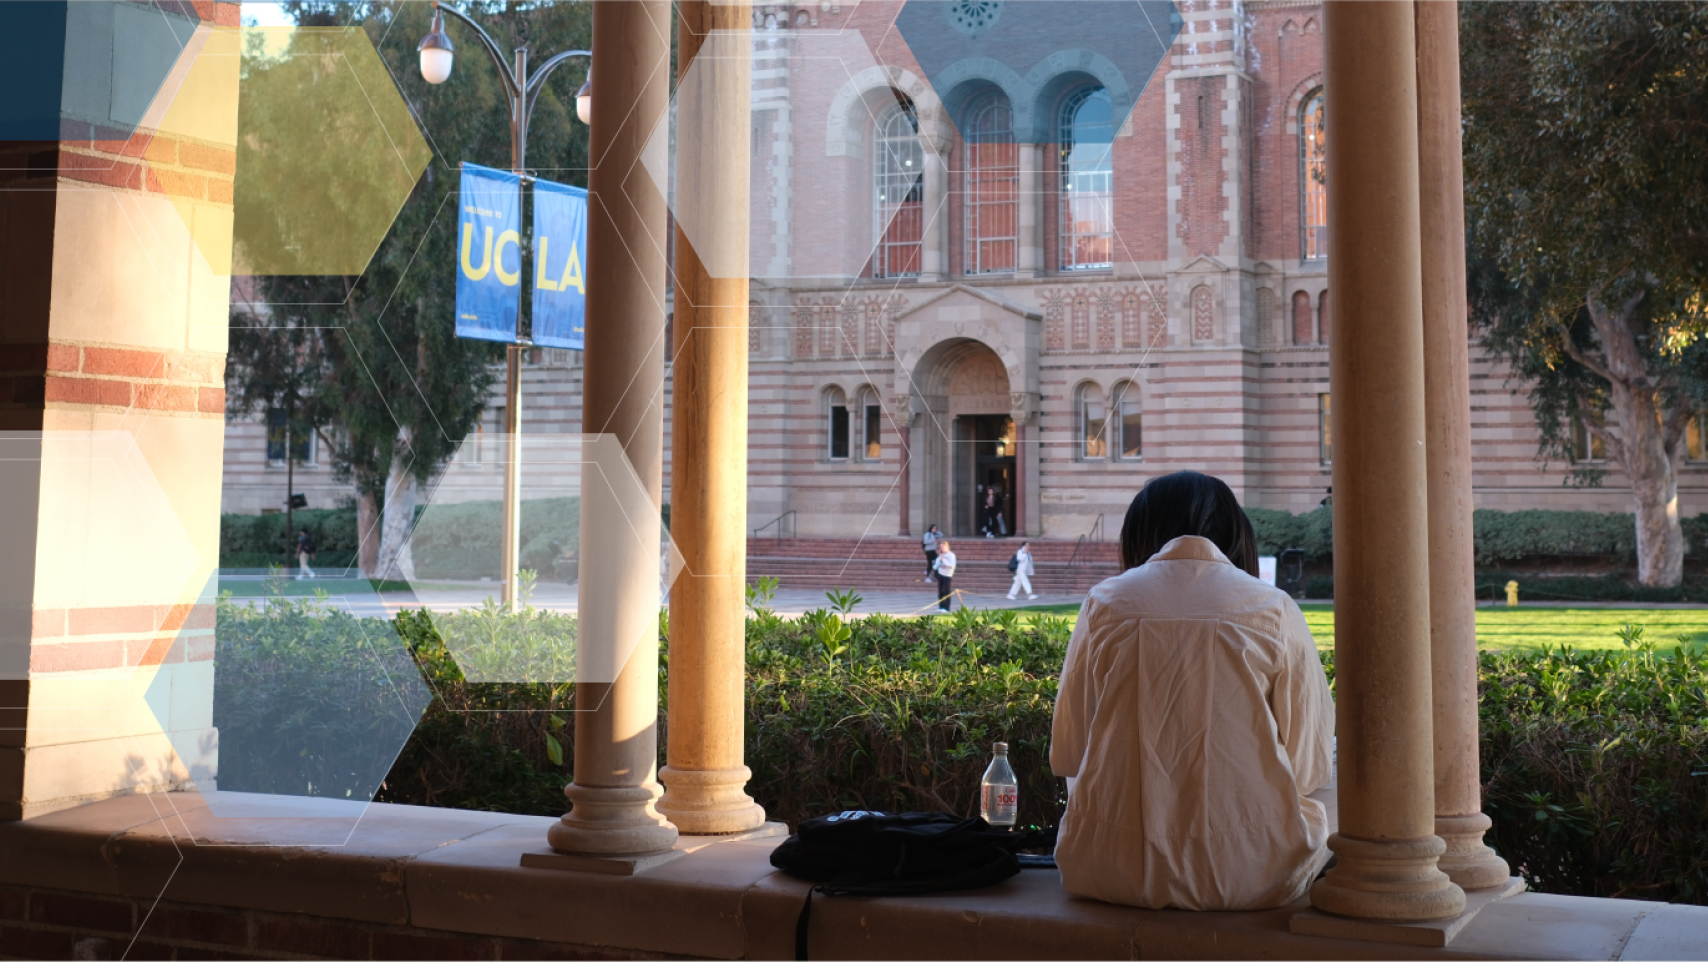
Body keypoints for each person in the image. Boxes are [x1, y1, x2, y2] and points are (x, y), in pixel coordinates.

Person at [1050, 470, 1334, 911]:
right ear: (1234, 530)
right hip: (1254, 874)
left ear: (1141, 532)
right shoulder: (1271, 607)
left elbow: (1069, 751)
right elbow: (1308, 765)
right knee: (1335, 770)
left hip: (1106, 868)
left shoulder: (1104, 603)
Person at [931, 540, 957, 613]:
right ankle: (941, 607)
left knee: (946, 592)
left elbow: (950, 566)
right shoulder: (941, 555)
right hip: (941, 574)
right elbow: (936, 566)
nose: (941, 548)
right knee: (940, 592)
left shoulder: (951, 555)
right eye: (940, 547)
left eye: (943, 547)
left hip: (947, 575)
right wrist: (938, 562)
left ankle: (946, 608)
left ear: (947, 547)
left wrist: (944, 560)